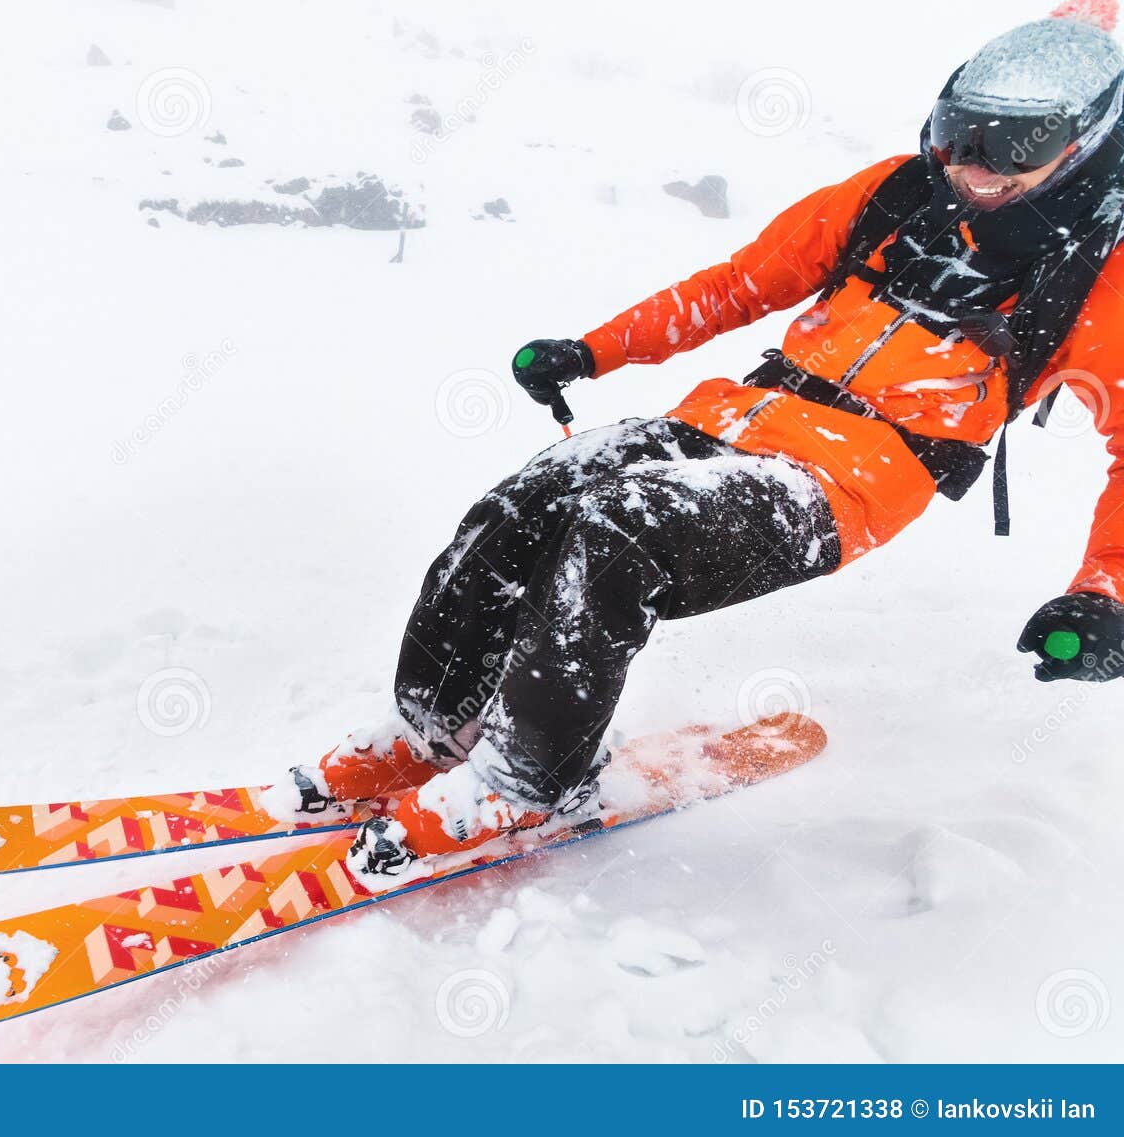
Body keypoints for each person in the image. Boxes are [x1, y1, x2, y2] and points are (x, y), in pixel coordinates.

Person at [262, 8, 1124, 880]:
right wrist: (595, 349)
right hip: (733, 417)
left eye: (1009, 153)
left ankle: (526, 779)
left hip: (847, 478)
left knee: (616, 535)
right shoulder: (898, 194)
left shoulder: (1101, 273)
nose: (973, 169)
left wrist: (1105, 593)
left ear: (1082, 146)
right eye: (960, 141)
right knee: (527, 500)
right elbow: (742, 286)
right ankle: (434, 731)